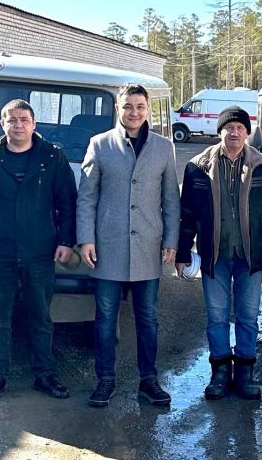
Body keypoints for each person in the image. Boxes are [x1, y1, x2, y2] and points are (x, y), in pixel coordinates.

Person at [0, 99, 77, 402]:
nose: (18, 125)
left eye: (24, 119)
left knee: (40, 317)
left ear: (34, 123)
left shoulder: (52, 158)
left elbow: (67, 202)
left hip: (40, 251)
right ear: (2, 124)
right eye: (11, 120)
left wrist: (66, 241)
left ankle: (43, 374)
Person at [76, 84, 180, 408]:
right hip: (108, 246)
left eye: (139, 106)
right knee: (105, 317)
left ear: (147, 109)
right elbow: (87, 196)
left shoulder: (163, 148)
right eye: (127, 107)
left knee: (147, 318)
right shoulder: (100, 145)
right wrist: (85, 239)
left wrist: (171, 241)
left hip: (148, 245)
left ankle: (149, 380)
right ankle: (105, 380)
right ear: (117, 109)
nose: (133, 112)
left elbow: (170, 200)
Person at [177, 105, 262, 400]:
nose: (234, 132)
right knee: (216, 316)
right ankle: (220, 373)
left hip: (251, 257)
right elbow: (186, 215)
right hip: (215, 256)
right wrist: (183, 252)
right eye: (228, 128)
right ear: (220, 132)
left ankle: (246, 373)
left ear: (247, 133)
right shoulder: (197, 167)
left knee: (248, 316)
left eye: (240, 128)